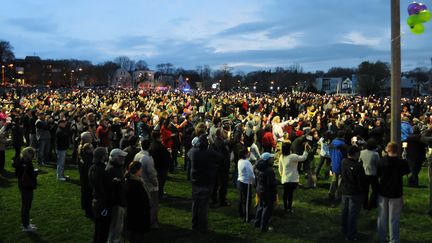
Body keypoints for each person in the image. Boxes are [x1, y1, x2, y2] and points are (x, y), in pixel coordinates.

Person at [376, 142, 410, 243]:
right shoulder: (402, 163)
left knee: (382, 217)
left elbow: (378, 174)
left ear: (387, 150)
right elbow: (407, 171)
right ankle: (394, 239)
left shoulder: (381, 162)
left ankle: (382, 237)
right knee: (394, 218)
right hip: (396, 192)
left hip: (383, 191)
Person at [188, 134, 221, 233]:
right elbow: (221, 158)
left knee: (195, 205)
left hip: (195, 181)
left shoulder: (193, 152)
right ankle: (203, 226)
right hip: (206, 182)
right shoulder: (210, 153)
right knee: (203, 206)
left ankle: (194, 225)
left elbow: (188, 154)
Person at [340, 146, 367, 241]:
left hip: (345, 191)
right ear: (356, 154)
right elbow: (361, 181)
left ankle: (344, 229)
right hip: (355, 193)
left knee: (345, 211)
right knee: (352, 214)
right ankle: (351, 234)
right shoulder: (358, 166)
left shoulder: (344, 162)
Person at [136, 139, 160, 229]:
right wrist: (156, 184)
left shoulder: (137, 155)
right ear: (149, 146)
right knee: (153, 205)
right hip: (149, 185)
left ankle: (145, 220)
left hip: (140, 183)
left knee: (144, 205)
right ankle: (152, 222)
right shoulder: (147, 158)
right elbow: (151, 174)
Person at [278, 143, 309, 213]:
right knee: (290, 194)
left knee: (285, 194)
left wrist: (282, 175)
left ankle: (285, 207)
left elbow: (280, 168)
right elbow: (303, 158)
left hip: (285, 179)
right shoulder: (292, 156)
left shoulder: (281, 157)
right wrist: (306, 150)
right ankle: (289, 208)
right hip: (292, 179)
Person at [125, 161, 151, 243]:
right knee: (137, 234)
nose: (141, 171)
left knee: (134, 233)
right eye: (140, 169)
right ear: (137, 170)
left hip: (135, 213)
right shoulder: (135, 183)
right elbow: (140, 199)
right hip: (138, 213)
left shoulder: (133, 180)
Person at [13, 147, 38, 232]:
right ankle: (26, 225)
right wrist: (35, 172)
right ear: (29, 154)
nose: (33, 156)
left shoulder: (20, 160)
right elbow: (31, 175)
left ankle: (25, 222)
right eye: (32, 154)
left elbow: (17, 173)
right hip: (27, 186)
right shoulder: (28, 162)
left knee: (25, 205)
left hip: (21, 184)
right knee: (26, 206)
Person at [105, 148, 128, 243]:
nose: (123, 159)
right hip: (116, 202)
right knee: (116, 225)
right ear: (115, 158)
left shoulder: (116, 167)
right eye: (121, 157)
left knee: (119, 224)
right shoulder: (111, 169)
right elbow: (111, 188)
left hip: (119, 201)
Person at [89, 147, 110, 243]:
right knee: (103, 230)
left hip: (95, 199)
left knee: (98, 228)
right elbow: (105, 188)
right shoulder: (103, 170)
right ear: (102, 156)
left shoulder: (92, 168)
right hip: (102, 202)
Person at [253, 152, 277, 232]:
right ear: (267, 160)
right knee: (267, 209)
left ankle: (257, 223)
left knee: (260, 206)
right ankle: (264, 227)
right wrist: (276, 182)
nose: (273, 159)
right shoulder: (269, 170)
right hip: (267, 192)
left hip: (260, 190)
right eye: (271, 158)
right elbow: (271, 183)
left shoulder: (257, 167)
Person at [211, 128, 231, 207]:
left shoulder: (217, 141)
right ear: (220, 134)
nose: (224, 133)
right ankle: (221, 200)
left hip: (218, 166)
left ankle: (216, 199)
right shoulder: (220, 142)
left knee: (217, 184)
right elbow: (222, 155)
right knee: (222, 185)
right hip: (222, 167)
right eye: (223, 132)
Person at [359, 139, 380, 210]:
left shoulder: (362, 152)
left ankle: (364, 204)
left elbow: (359, 161)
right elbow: (378, 164)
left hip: (364, 173)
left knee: (365, 190)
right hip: (373, 173)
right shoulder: (375, 154)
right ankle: (371, 203)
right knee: (375, 190)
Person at [329, 130, 348, 207]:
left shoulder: (333, 142)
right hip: (341, 163)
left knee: (334, 179)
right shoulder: (343, 144)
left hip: (334, 162)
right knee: (340, 181)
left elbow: (330, 151)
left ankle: (331, 192)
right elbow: (346, 154)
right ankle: (338, 195)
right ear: (343, 136)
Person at [78, 132, 94, 219]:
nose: (92, 138)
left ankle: (85, 207)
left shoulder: (81, 147)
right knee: (87, 193)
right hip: (86, 176)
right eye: (90, 137)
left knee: (85, 192)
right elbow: (88, 164)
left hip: (84, 175)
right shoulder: (85, 151)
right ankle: (88, 211)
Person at [237, 148, 255, 222]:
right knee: (247, 201)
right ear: (245, 154)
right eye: (248, 152)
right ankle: (247, 217)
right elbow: (251, 175)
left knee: (241, 199)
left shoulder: (240, 161)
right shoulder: (247, 162)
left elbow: (246, 169)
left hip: (240, 181)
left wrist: (253, 166)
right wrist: (254, 181)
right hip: (246, 183)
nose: (249, 153)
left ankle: (241, 214)